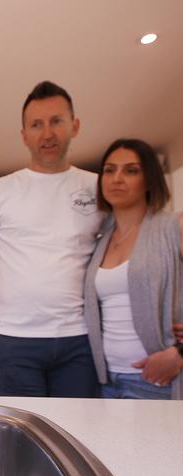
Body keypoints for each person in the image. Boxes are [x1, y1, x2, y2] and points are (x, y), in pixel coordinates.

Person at [0, 81, 103, 397]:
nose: (47, 134)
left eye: (57, 121)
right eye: (36, 125)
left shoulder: (97, 188)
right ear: (24, 135)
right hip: (15, 342)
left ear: (75, 126)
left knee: (77, 438)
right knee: (21, 443)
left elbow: (123, 253)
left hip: (79, 341)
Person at [83, 138, 183, 399]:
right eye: (109, 169)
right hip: (104, 382)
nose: (117, 178)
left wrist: (179, 354)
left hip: (157, 380)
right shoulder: (101, 240)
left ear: (149, 180)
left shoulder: (173, 227)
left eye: (131, 170)